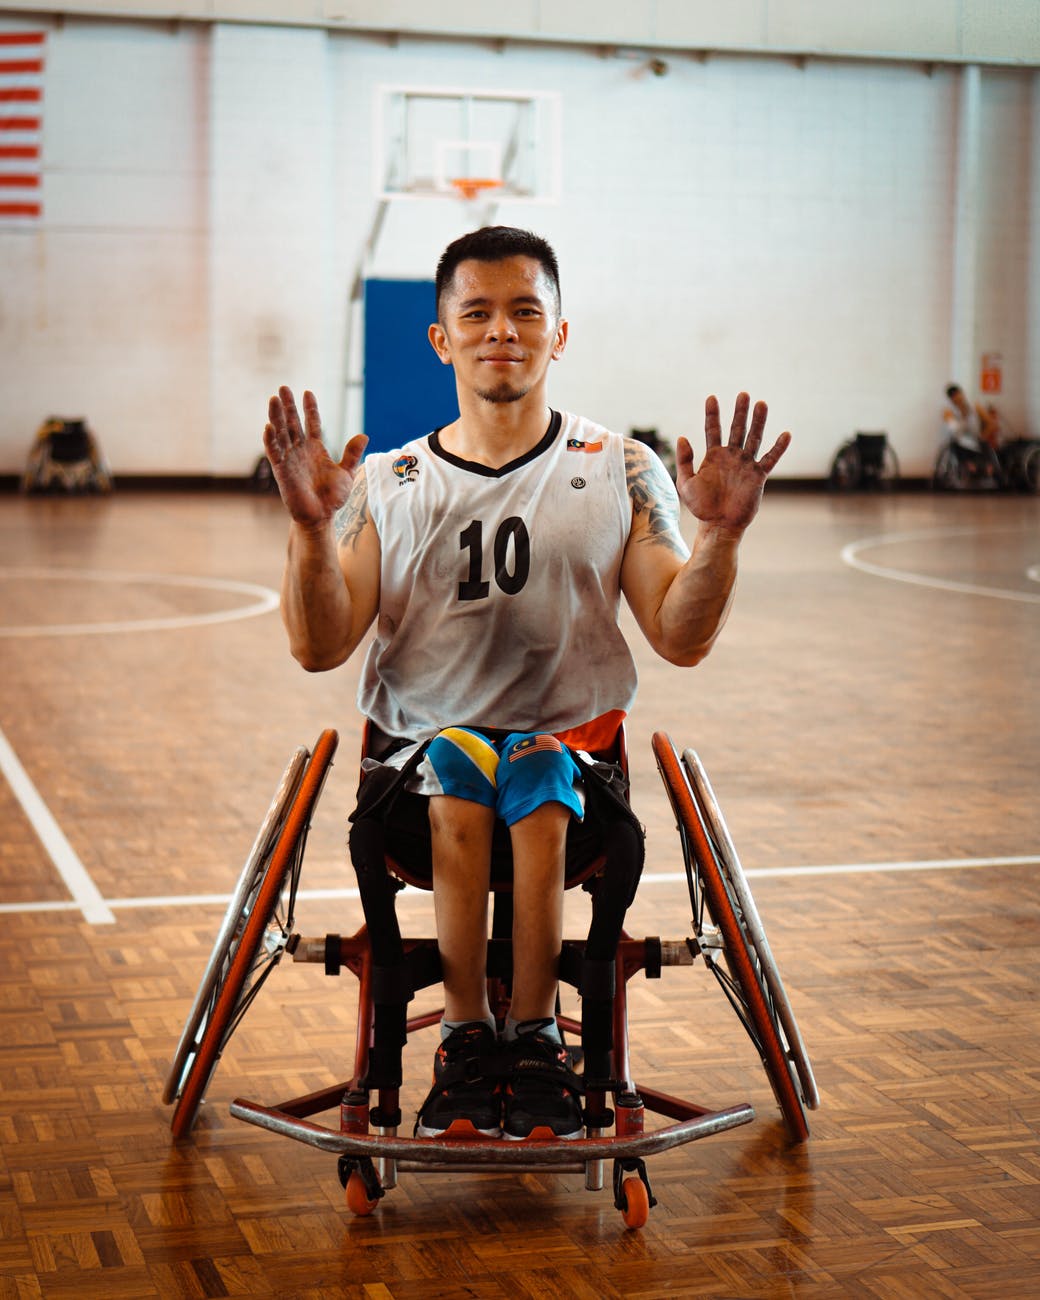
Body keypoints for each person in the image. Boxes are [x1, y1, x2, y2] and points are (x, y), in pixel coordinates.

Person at [263, 225, 790, 1144]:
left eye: (524, 312)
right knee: (463, 761)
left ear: (560, 333)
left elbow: (681, 635)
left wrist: (723, 541)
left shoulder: (622, 468)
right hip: (414, 783)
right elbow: (318, 646)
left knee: (536, 765)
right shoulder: (388, 482)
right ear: (442, 339)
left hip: (576, 775)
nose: (501, 331)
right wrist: (312, 533)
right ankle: (470, 1041)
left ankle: (536, 1041)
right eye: (477, 312)